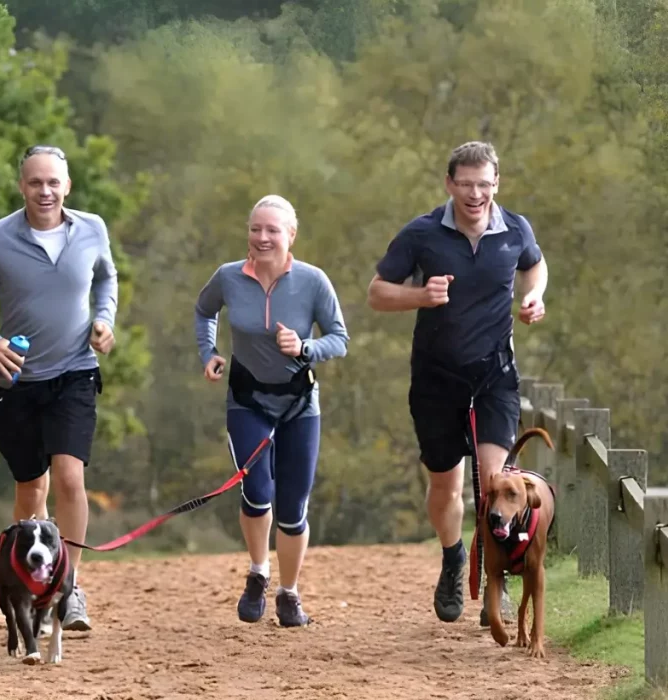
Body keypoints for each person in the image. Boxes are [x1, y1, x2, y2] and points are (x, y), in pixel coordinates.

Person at [366, 141, 548, 626]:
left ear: (496, 185)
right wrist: (421, 295)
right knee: (446, 488)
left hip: (494, 375)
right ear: (449, 184)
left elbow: (535, 264)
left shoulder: (514, 229)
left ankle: (498, 581)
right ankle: (452, 559)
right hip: (436, 377)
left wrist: (534, 296)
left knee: (497, 487)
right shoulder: (423, 233)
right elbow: (377, 294)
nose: (474, 194)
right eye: (465, 184)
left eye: (483, 184)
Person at [0, 144, 119, 632]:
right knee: (31, 488)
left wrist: (104, 320)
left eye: (53, 182)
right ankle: (32, 584)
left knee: (69, 478)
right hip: (17, 384)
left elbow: (107, 280)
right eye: (34, 182)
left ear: (67, 186)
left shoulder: (92, 229)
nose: (44, 191)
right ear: (21, 186)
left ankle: (69, 590)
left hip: (75, 373)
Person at [194, 194, 349, 627]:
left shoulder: (313, 281)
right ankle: (259, 573)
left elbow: (339, 337)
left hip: (299, 403)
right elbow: (204, 311)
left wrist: (305, 348)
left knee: (293, 507)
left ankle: (289, 593)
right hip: (247, 401)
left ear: (290, 235)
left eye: (272, 230)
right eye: (255, 229)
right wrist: (209, 352)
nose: (262, 238)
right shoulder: (228, 277)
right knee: (257, 492)